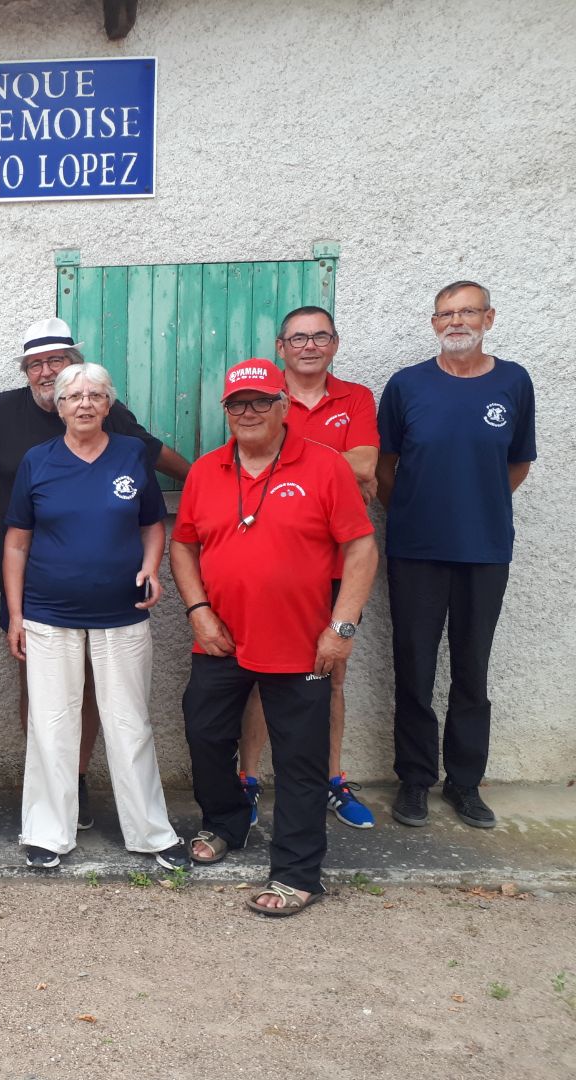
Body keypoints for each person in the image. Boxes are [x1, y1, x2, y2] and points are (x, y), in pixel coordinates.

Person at [0, 317, 189, 828]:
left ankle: (76, 781)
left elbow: (152, 454)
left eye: (57, 360)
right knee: (40, 692)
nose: (48, 371)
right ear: (27, 371)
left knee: (100, 692)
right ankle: (49, 793)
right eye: (37, 364)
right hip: (33, 583)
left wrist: (207, 482)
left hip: (114, 594)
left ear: (77, 366)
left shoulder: (105, 410)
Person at [171, 359, 377, 917]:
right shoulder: (206, 471)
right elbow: (184, 545)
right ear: (226, 412)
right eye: (238, 404)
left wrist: (343, 627)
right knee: (205, 736)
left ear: (284, 405)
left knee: (300, 761)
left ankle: (296, 870)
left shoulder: (325, 467)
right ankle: (227, 823)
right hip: (219, 639)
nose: (249, 412)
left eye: (261, 401)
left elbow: (360, 547)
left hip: (302, 643)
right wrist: (198, 611)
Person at [3, 362, 188, 871]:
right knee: (51, 725)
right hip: (48, 614)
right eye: (73, 396)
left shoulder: (132, 454)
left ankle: (151, 833)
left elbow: (153, 524)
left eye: (95, 395)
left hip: (122, 615)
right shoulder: (36, 462)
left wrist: (152, 567)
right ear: (57, 406)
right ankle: (46, 832)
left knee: (130, 723)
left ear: (109, 404)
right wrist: (16, 614)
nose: (84, 404)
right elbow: (16, 544)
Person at [377, 281, 536, 830]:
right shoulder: (406, 386)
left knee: (472, 667)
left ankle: (465, 783)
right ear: (434, 323)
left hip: (485, 549)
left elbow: (516, 464)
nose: (456, 322)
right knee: (414, 667)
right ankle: (415, 780)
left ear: (489, 318)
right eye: (445, 314)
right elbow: (385, 466)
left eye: (467, 311)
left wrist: (476, 504)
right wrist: (418, 512)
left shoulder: (514, 382)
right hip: (416, 550)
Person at [236, 307, 380, 830]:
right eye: (298, 338)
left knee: (331, 672)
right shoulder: (260, 399)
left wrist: (300, 465)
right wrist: (330, 466)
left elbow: (366, 464)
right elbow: (250, 458)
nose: (309, 346)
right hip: (277, 560)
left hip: (338, 564)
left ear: (335, 344)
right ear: (281, 347)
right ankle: (247, 779)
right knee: (259, 676)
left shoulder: (356, 398)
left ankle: (331, 780)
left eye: (321, 336)